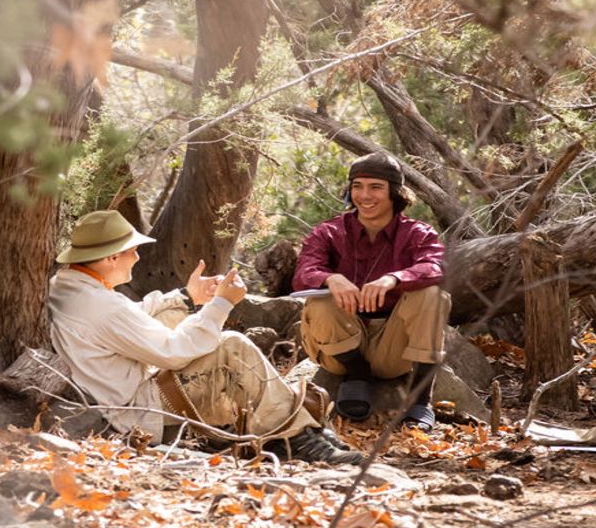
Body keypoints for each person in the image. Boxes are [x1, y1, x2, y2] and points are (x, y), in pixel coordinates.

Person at [48, 210, 361, 464]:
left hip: (121, 397)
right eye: (131, 251)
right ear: (111, 258)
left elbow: (133, 318)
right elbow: (173, 352)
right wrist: (221, 304)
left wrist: (187, 297)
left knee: (194, 328)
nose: (137, 258)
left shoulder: (69, 287)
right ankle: (296, 438)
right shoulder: (101, 305)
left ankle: (304, 428)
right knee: (232, 347)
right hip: (135, 412)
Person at [292, 153, 451, 430]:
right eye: (357, 186)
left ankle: (420, 401)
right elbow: (304, 273)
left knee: (433, 296)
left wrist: (394, 278)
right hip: (337, 348)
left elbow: (435, 267)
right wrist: (331, 279)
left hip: (393, 350)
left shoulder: (418, 233)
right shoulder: (328, 232)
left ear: (395, 192)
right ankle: (356, 375)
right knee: (319, 301)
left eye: (375, 187)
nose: (364, 195)